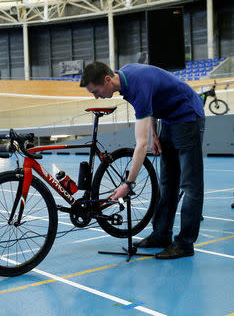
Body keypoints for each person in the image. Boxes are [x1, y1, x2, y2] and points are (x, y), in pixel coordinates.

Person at [81, 61, 205, 260]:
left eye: (95, 91)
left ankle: (185, 244)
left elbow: (141, 145)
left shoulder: (137, 84)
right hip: (169, 120)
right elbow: (153, 102)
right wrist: (155, 133)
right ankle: (161, 235)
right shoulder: (125, 81)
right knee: (167, 183)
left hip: (188, 115)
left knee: (190, 185)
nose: (96, 97)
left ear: (107, 79)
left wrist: (128, 184)